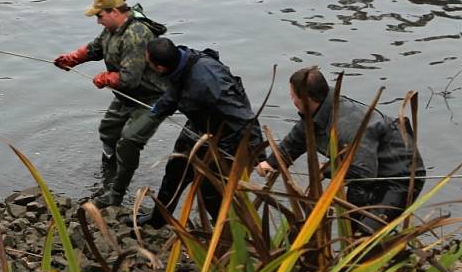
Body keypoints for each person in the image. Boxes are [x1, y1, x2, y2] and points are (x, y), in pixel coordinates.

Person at [255, 66, 425, 234]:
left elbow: (364, 171)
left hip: (398, 177)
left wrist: (325, 170)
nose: (291, 99)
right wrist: (270, 163)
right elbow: (296, 141)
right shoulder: (318, 110)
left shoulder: (346, 125)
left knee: (367, 235)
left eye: (293, 95)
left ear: (306, 99)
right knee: (351, 229)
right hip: (364, 178)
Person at [54, 0, 168, 208]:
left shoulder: (137, 34)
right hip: (126, 96)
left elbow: (130, 79)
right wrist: (72, 59)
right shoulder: (112, 29)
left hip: (151, 98)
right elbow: (95, 48)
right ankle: (110, 174)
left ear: (114, 12)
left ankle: (116, 192)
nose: (98, 21)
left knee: (129, 140)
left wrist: (106, 78)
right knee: (108, 130)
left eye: (100, 16)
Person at [137, 37, 264, 228]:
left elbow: (244, 117)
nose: (147, 65)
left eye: (149, 63)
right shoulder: (179, 61)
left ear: (160, 68)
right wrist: (160, 107)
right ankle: (159, 219)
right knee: (174, 172)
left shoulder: (210, 83)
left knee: (210, 191)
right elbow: (176, 90)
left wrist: (258, 155)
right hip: (197, 128)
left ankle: (227, 233)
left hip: (226, 138)